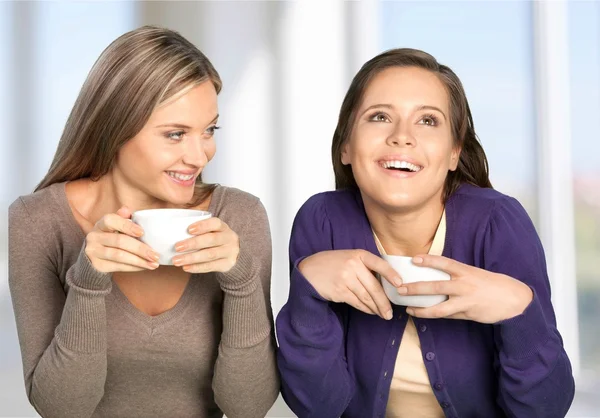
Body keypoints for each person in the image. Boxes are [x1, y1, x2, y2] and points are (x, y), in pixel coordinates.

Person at [275, 48, 575, 418]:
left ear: (453, 153)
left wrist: (521, 312)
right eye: (380, 116)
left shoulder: (498, 223)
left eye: (428, 121)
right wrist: (307, 293)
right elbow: (316, 407)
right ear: (346, 147)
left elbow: (544, 411)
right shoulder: (322, 221)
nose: (402, 137)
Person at [8, 26, 278, 418]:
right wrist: (87, 281)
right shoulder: (36, 221)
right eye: (175, 134)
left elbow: (247, 406)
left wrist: (240, 280)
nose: (200, 156)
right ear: (115, 127)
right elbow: (60, 408)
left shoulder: (239, 217)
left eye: (209, 131)